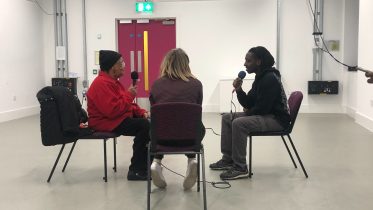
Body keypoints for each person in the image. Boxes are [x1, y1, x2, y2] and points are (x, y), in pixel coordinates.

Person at [209, 46, 291, 180]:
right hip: (267, 115)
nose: (244, 64)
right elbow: (248, 102)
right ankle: (228, 159)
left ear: (258, 62)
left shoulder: (269, 78)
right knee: (227, 118)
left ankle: (240, 167)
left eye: (248, 61)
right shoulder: (260, 77)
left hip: (277, 120)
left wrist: (249, 112)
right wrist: (239, 90)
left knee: (239, 123)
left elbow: (263, 109)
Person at [87, 50, 150, 181]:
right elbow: (112, 110)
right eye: (121, 63)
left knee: (148, 121)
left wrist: (141, 112)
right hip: (106, 122)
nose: (124, 65)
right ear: (112, 67)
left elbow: (125, 104)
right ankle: (136, 170)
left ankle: (147, 164)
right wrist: (129, 95)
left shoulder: (112, 81)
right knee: (144, 126)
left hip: (116, 119)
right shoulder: (101, 84)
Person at [149, 48, 205, 190]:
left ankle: (156, 161)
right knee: (195, 125)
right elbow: (197, 109)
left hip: (161, 138)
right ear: (186, 64)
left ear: (166, 63)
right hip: (190, 138)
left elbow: (154, 111)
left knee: (160, 125)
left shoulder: (156, 85)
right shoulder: (196, 84)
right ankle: (192, 159)